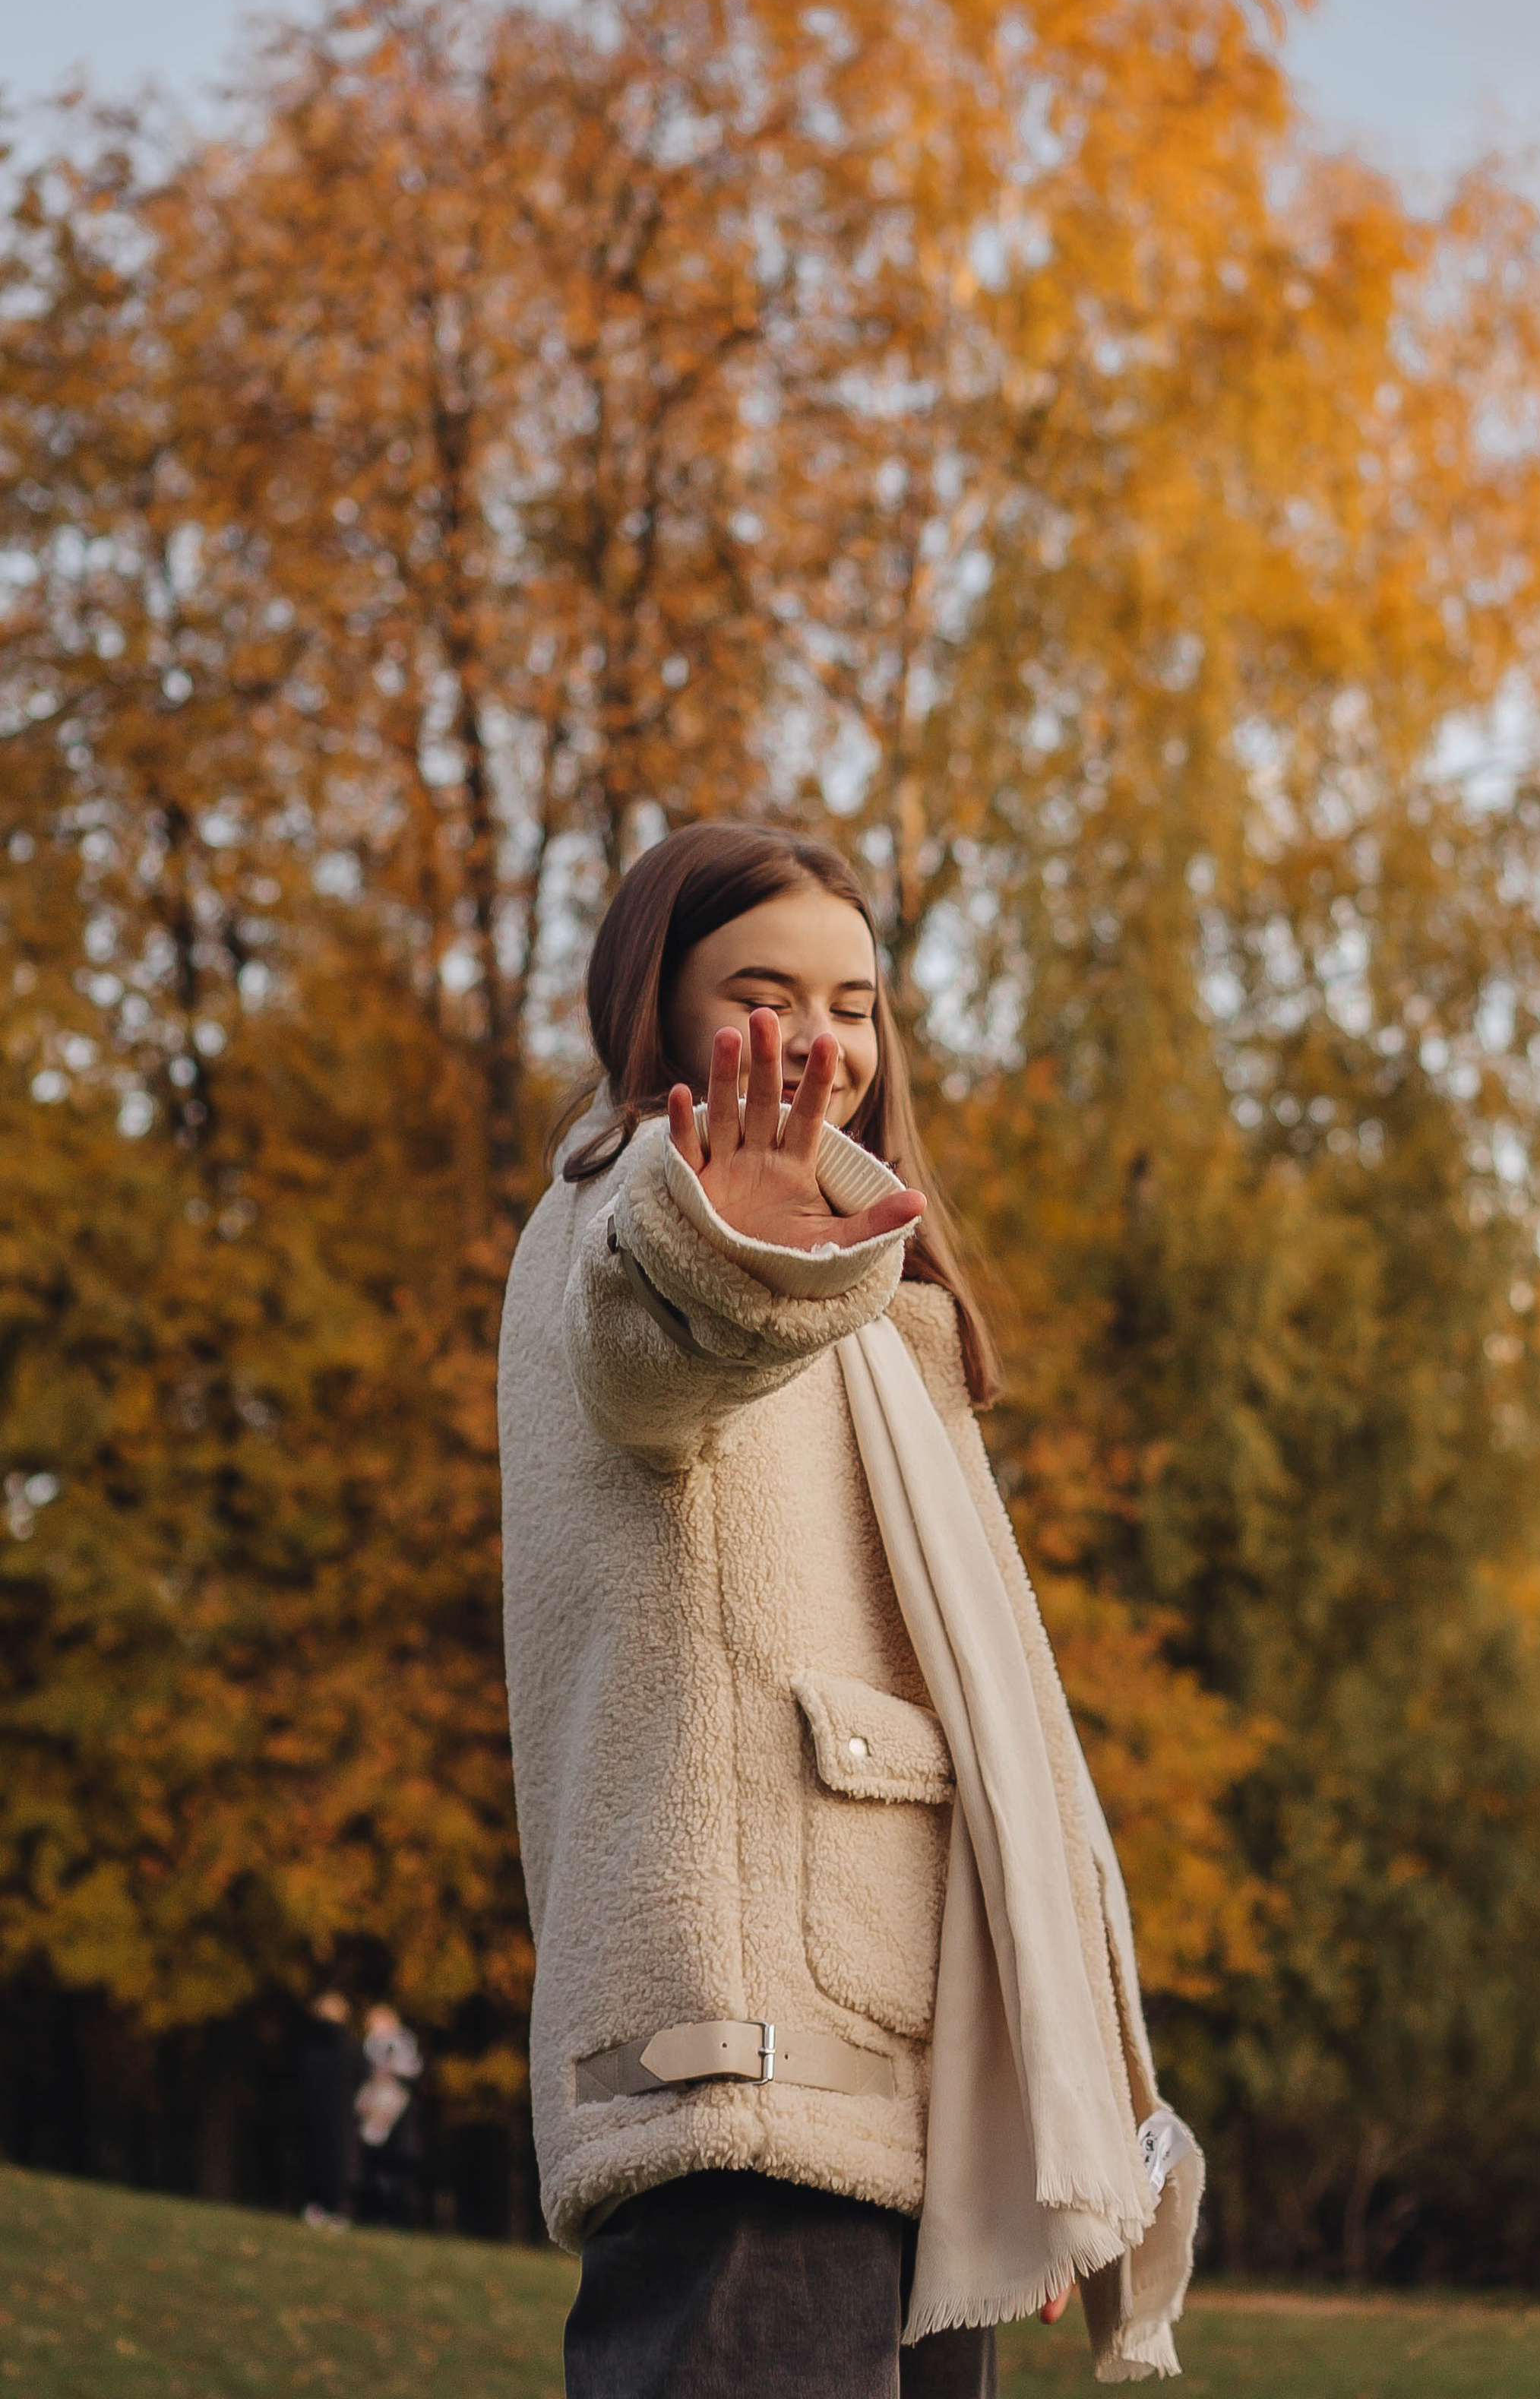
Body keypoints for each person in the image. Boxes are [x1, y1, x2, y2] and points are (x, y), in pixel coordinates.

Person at [498, 824, 1200, 2397]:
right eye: (764, 992)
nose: (821, 1037)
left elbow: (1000, 1726)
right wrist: (736, 1248)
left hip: (899, 2083)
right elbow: (656, 1358)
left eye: (855, 1000)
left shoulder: (875, 1308)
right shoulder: (627, 1215)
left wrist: (1030, 2112)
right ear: (659, 1013)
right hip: (750, 2066)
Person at [354, 2001, 426, 2228]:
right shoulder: (371, 2047)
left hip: (398, 2123)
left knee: (396, 2175)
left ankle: (399, 2217)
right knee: (377, 2169)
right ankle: (380, 2214)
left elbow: (412, 2073)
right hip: (381, 2116)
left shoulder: (401, 2047)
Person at [296, 1989, 362, 2230]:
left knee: (318, 2159)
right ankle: (336, 2209)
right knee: (337, 2161)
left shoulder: (308, 2044)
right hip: (340, 2113)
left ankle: (318, 2207)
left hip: (318, 2110)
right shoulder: (347, 2046)